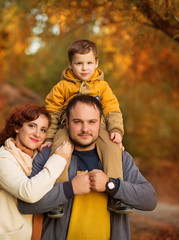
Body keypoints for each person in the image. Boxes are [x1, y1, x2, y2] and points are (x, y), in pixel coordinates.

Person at [18, 95, 157, 239]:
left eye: (92, 122)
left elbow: (149, 200)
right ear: (66, 123)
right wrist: (68, 189)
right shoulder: (49, 155)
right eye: (78, 122)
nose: (85, 129)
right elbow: (26, 205)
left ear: (100, 123)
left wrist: (111, 185)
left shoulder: (119, 157)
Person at [40, 39, 129, 217]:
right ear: (70, 65)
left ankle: (116, 196)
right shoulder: (62, 87)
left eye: (89, 63)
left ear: (96, 63)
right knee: (59, 149)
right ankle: (58, 195)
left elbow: (112, 110)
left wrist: (116, 131)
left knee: (112, 148)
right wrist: (49, 137)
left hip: (99, 129)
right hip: (68, 127)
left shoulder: (102, 87)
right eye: (79, 63)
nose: (84, 68)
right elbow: (52, 113)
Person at [0, 104, 72, 240]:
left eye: (43, 130)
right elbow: (29, 193)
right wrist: (58, 158)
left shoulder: (36, 158)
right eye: (32, 126)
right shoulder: (3, 159)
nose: (38, 134)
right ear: (17, 127)